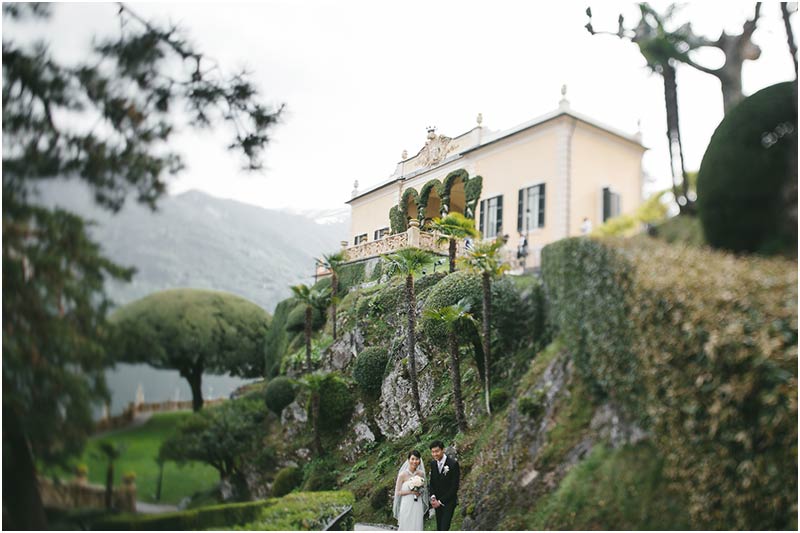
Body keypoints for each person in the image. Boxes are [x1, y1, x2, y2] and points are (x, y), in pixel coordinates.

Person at [428, 441, 460, 531]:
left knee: (444, 528)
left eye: (437, 451)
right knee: (439, 528)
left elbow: (455, 487)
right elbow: (432, 483)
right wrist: (433, 497)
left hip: (449, 502)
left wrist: (441, 501)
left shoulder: (453, 464)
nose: (435, 454)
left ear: (443, 450)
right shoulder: (433, 464)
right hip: (437, 502)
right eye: (433, 452)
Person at [393, 450, 428, 531]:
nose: (414, 461)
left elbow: (424, 489)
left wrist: (420, 490)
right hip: (406, 503)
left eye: (417, 459)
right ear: (408, 460)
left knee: (417, 524)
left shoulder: (421, 474)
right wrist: (411, 492)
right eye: (412, 459)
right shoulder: (402, 475)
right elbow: (398, 492)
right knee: (406, 524)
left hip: (417, 504)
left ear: (419, 461)